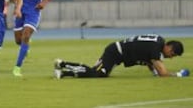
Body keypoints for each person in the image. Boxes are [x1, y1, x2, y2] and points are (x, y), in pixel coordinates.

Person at [54, 34, 189, 79]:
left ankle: (62, 66)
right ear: (169, 47)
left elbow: (150, 62)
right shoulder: (156, 49)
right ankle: (63, 69)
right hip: (114, 52)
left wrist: (154, 71)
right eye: (172, 54)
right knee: (98, 74)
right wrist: (178, 75)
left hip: (116, 52)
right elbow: (163, 73)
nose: (170, 57)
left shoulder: (158, 41)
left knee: (97, 73)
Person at [12, 0, 56, 77]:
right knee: (18, 40)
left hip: (34, 9)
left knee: (26, 35)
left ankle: (17, 68)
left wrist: (45, 2)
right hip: (20, 7)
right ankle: (26, 47)